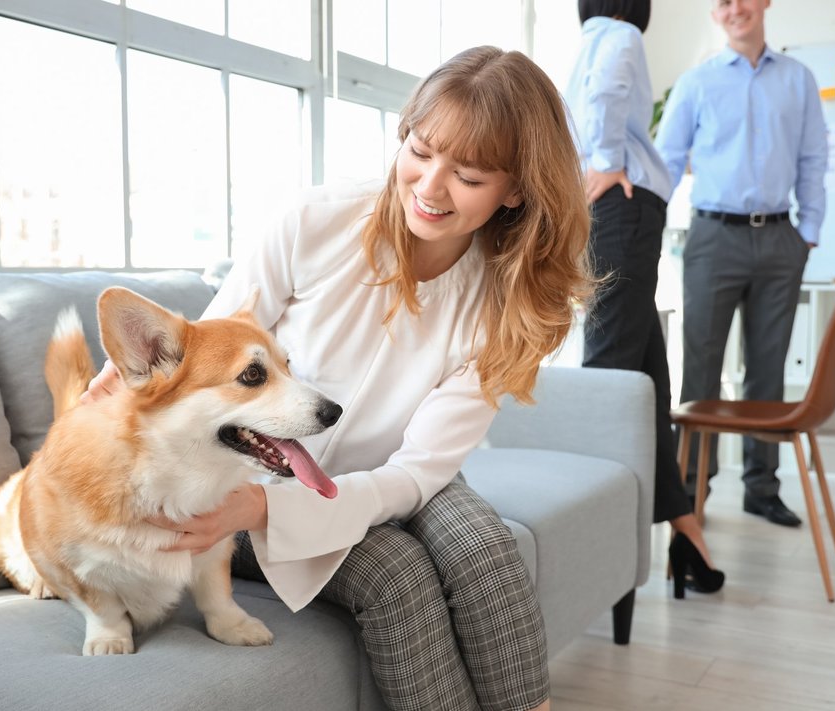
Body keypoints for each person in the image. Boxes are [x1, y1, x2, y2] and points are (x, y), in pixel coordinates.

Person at [83, 46, 594, 711]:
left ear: (516, 189)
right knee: (399, 577)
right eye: (420, 148)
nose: (430, 187)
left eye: (467, 175)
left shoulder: (506, 303)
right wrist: (248, 498)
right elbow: (209, 346)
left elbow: (415, 474)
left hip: (396, 470)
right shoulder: (315, 222)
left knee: (485, 553)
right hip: (255, 477)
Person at [564, 0, 724, 596]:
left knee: (645, 381)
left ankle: (687, 534)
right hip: (623, 209)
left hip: (608, 213)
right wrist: (607, 163)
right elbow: (606, 97)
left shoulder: (585, 42)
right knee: (612, 379)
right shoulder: (623, 34)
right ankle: (592, 550)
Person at [654, 0, 827, 528]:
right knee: (701, 369)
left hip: (780, 239)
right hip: (712, 237)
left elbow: (813, 158)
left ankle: (762, 488)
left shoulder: (798, 79)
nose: (736, 9)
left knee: (768, 370)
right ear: (714, 13)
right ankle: (691, 488)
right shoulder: (696, 82)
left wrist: (809, 233)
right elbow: (665, 160)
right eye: (723, 3)